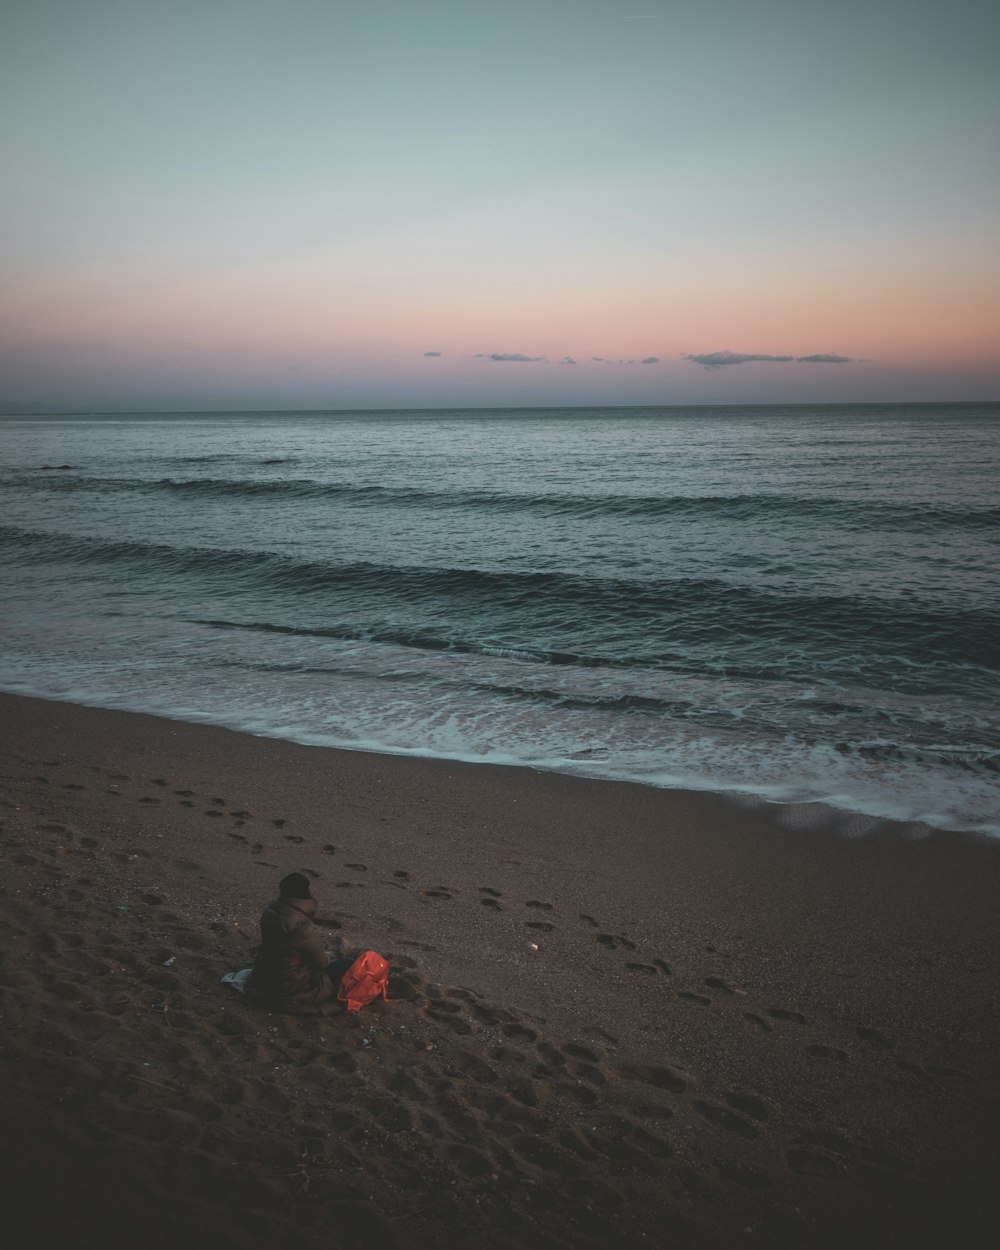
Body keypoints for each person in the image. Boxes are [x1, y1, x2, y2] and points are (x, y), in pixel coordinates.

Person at [247, 872, 355, 1014]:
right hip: (292, 984)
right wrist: (329, 957)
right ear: (306, 892)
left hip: (266, 974)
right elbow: (323, 964)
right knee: (347, 963)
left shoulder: (269, 912)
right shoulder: (303, 927)